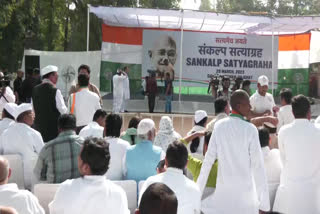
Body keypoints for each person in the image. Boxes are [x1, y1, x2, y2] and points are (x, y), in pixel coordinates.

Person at [197, 90, 270, 214]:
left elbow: (207, 162)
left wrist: (197, 194)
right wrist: (264, 204)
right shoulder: (250, 129)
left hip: (222, 200)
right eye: (248, 104)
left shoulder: (219, 126)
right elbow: (258, 167)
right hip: (246, 201)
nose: (250, 107)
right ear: (238, 106)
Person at [49, 138, 130, 214]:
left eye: (79, 156)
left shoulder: (66, 188)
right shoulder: (118, 193)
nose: (78, 158)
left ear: (85, 167)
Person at [273, 95, 320, 214]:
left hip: (290, 192)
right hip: (313, 194)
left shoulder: (283, 131)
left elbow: (283, 159)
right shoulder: (318, 130)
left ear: (293, 112)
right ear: (309, 112)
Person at [139, 141, 201, 214]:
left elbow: (140, 207)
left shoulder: (150, 182)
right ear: (186, 164)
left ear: (165, 161)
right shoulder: (194, 188)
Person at [0, 103, 44, 189]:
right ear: (25, 117)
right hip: (31, 181)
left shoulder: (5, 134)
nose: (34, 116)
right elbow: (43, 154)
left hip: (10, 178)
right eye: (32, 113)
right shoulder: (34, 133)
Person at [34, 114, 83, 183]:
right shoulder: (86, 145)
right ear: (75, 128)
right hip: (80, 191)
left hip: (55, 192)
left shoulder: (47, 148)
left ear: (59, 128)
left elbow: (38, 175)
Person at [32, 65, 68, 142]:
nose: (57, 77)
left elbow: (33, 110)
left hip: (39, 129)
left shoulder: (35, 90)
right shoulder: (55, 90)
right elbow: (63, 110)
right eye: (56, 74)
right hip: (53, 130)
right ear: (51, 76)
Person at [123, 118, 165, 183]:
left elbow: (124, 173)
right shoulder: (160, 153)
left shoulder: (127, 151)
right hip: (152, 192)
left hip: (132, 192)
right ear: (151, 133)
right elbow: (162, 176)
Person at [258, 127, 283, 208]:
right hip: (276, 202)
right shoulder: (277, 154)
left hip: (258, 203)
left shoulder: (250, 158)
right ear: (269, 139)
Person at [104, 114, 130, 180]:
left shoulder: (97, 144)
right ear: (120, 128)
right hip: (120, 184)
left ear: (105, 127)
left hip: (101, 185)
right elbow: (126, 171)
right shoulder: (126, 145)